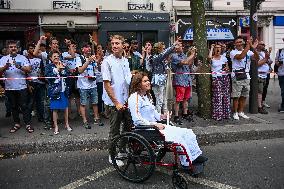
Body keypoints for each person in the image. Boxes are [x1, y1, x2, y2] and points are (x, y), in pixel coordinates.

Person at [128, 72, 207, 169]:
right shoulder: (134, 98)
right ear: (138, 84)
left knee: (187, 132)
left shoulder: (147, 96)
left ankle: (194, 156)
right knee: (178, 139)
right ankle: (187, 162)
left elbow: (155, 114)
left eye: (148, 80)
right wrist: (154, 125)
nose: (148, 82)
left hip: (155, 126)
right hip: (146, 128)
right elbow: (137, 119)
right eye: (145, 81)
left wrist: (163, 116)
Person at [101, 35, 133, 166]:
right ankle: (112, 155)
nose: (114, 46)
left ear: (123, 45)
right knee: (114, 130)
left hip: (125, 101)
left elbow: (127, 81)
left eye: (117, 43)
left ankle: (121, 150)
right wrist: (116, 102)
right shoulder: (106, 61)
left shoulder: (125, 60)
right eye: (113, 43)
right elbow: (107, 84)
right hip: (114, 103)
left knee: (127, 127)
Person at [0, 40, 33, 133]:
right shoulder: (3, 59)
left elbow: (29, 69)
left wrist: (20, 67)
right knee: (13, 106)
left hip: (22, 87)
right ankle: (17, 123)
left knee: (24, 106)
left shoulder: (22, 57)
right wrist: (5, 68)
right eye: (11, 47)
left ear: (17, 48)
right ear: (7, 48)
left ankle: (27, 123)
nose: (13, 48)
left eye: (15, 47)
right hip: (9, 87)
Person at [230, 36, 259, 120]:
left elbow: (257, 58)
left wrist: (253, 48)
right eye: (237, 42)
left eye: (240, 42)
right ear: (235, 44)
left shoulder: (249, 51)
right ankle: (235, 112)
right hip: (237, 76)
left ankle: (241, 111)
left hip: (246, 76)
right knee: (236, 96)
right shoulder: (233, 52)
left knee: (244, 95)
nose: (239, 43)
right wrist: (248, 46)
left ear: (243, 43)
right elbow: (241, 57)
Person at [77, 43, 103, 129]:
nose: (88, 49)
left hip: (93, 84)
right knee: (83, 103)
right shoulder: (79, 58)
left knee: (95, 102)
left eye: (89, 47)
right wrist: (88, 61)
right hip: (83, 85)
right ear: (82, 49)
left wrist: (98, 62)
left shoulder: (93, 57)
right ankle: (85, 121)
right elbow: (80, 70)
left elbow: (98, 69)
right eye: (86, 47)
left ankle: (96, 118)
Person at [45, 51, 71, 135]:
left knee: (66, 108)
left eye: (57, 56)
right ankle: (56, 126)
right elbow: (48, 78)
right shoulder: (48, 67)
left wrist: (63, 71)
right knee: (55, 109)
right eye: (54, 56)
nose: (56, 57)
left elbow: (67, 75)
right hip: (54, 91)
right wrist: (57, 70)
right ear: (51, 58)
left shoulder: (63, 64)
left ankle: (67, 124)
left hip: (63, 89)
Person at [171, 43, 196, 124]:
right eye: (180, 46)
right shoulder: (174, 56)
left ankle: (185, 114)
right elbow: (185, 62)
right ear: (176, 48)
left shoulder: (184, 55)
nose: (182, 47)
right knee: (178, 100)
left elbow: (189, 63)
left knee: (185, 99)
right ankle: (176, 116)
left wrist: (192, 55)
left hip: (187, 80)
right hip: (180, 80)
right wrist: (192, 54)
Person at [208, 44, 231, 120]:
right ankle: (218, 115)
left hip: (224, 77)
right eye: (216, 48)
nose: (218, 49)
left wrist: (227, 69)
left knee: (225, 96)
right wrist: (211, 48)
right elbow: (209, 58)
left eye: (219, 48)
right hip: (216, 78)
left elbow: (227, 67)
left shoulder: (224, 58)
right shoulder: (212, 58)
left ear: (221, 49)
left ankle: (226, 114)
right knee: (217, 96)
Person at [26, 43, 45, 122]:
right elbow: (24, 73)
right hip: (31, 83)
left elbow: (42, 70)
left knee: (40, 102)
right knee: (30, 102)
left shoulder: (39, 59)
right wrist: (27, 84)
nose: (33, 50)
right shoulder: (25, 59)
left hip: (39, 83)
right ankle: (27, 120)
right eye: (31, 48)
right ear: (27, 50)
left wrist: (42, 75)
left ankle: (41, 118)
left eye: (34, 48)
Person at [62, 40, 81, 118]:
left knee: (77, 95)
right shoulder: (64, 54)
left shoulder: (78, 55)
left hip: (76, 77)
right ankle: (68, 113)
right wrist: (69, 70)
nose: (74, 48)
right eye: (72, 46)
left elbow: (78, 65)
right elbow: (64, 64)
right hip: (68, 77)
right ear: (68, 47)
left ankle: (79, 112)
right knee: (68, 95)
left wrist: (75, 70)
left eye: (75, 46)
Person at [256, 42, 271, 114]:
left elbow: (269, 61)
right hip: (259, 75)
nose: (263, 46)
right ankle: (259, 107)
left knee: (263, 91)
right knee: (259, 92)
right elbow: (257, 64)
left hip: (265, 74)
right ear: (257, 45)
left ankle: (261, 104)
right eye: (261, 44)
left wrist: (268, 58)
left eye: (264, 45)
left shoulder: (263, 52)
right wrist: (266, 58)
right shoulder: (256, 53)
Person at [275, 43, 284, 113]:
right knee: (283, 90)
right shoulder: (280, 51)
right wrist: (278, 63)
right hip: (281, 74)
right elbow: (276, 62)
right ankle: (283, 106)